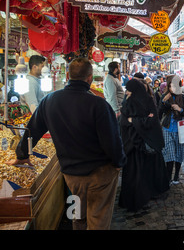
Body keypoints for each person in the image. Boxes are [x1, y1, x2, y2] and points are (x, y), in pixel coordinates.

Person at [7, 58, 126, 230]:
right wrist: (119, 162)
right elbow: (112, 140)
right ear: (90, 78)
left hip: (72, 177)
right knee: (98, 219)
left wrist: (22, 155)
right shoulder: (99, 105)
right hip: (100, 175)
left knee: (77, 217)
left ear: (68, 75)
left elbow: (32, 130)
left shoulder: (49, 101)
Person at [118, 78, 169, 212]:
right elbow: (147, 120)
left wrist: (133, 121)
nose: (127, 92)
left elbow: (149, 120)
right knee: (143, 172)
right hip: (140, 144)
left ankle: (140, 197)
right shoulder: (142, 100)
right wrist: (140, 120)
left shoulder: (137, 101)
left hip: (138, 144)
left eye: (129, 90)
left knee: (137, 173)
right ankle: (145, 195)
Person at [159, 75, 184, 184]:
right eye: (171, 85)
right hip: (167, 128)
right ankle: (168, 177)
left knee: (178, 154)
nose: (173, 87)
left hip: (180, 129)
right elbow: (160, 112)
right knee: (169, 154)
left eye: (175, 85)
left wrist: (180, 109)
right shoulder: (165, 96)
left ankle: (176, 175)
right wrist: (163, 102)